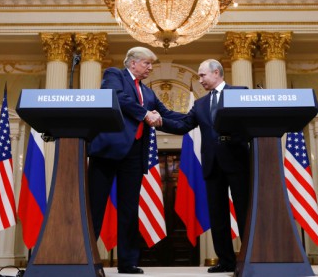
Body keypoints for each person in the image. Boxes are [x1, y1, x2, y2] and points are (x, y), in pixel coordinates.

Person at [88, 46, 183, 274]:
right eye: (147, 63)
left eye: (151, 64)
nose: (151, 68)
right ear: (133, 63)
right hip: (107, 151)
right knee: (95, 206)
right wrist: (144, 114)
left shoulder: (148, 93)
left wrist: (197, 118)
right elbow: (117, 98)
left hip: (134, 154)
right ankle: (85, 255)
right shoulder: (115, 75)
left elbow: (166, 114)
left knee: (129, 209)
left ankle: (127, 262)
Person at [160, 59, 250, 273]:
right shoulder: (200, 104)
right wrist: (159, 121)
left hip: (237, 162)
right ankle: (226, 261)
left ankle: (251, 256)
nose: (199, 80)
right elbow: (183, 125)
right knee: (217, 216)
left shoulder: (239, 93)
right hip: (212, 165)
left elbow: (248, 122)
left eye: (202, 75)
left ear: (216, 72)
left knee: (245, 211)